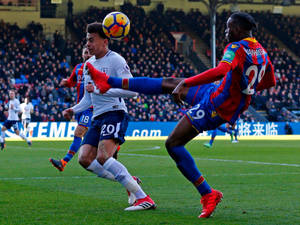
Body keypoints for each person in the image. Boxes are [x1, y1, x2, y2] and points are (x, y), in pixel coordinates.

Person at [86, 12, 276, 218]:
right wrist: (242, 92)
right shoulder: (262, 52)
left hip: (217, 105)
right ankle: (108, 81)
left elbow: (221, 70)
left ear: (239, 29)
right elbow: (269, 81)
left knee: (173, 143)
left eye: (229, 28)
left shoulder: (236, 47)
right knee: (168, 82)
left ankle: (208, 193)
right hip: (218, 92)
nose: (226, 31)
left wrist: (187, 83)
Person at [62, 22, 156, 210]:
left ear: (105, 41)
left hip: (115, 112)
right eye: (87, 40)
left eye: (91, 40)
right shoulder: (88, 64)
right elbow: (89, 98)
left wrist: (101, 90)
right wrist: (74, 109)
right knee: (85, 158)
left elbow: (133, 92)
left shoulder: (116, 61)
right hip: (98, 117)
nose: (87, 44)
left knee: (103, 157)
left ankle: (143, 198)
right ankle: (131, 181)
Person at [49, 47, 93, 172]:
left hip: (91, 108)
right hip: (79, 106)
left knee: (78, 133)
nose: (87, 54)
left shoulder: (98, 68)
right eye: (85, 52)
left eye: (89, 52)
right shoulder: (78, 68)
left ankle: (64, 161)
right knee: (85, 136)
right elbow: (71, 81)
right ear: (82, 54)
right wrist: (66, 83)